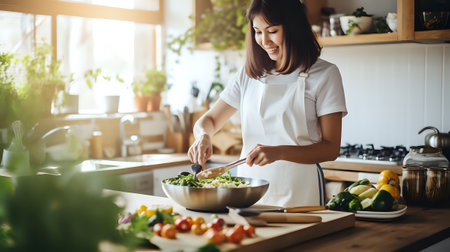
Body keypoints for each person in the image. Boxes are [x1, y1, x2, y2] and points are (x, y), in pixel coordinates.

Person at [188, 0, 347, 207]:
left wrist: (278, 152)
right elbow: (209, 119)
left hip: (299, 192)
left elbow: (330, 149)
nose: (264, 41)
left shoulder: (325, 74)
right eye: (257, 31)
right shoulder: (248, 75)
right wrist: (203, 136)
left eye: (272, 31)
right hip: (247, 190)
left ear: (293, 28)